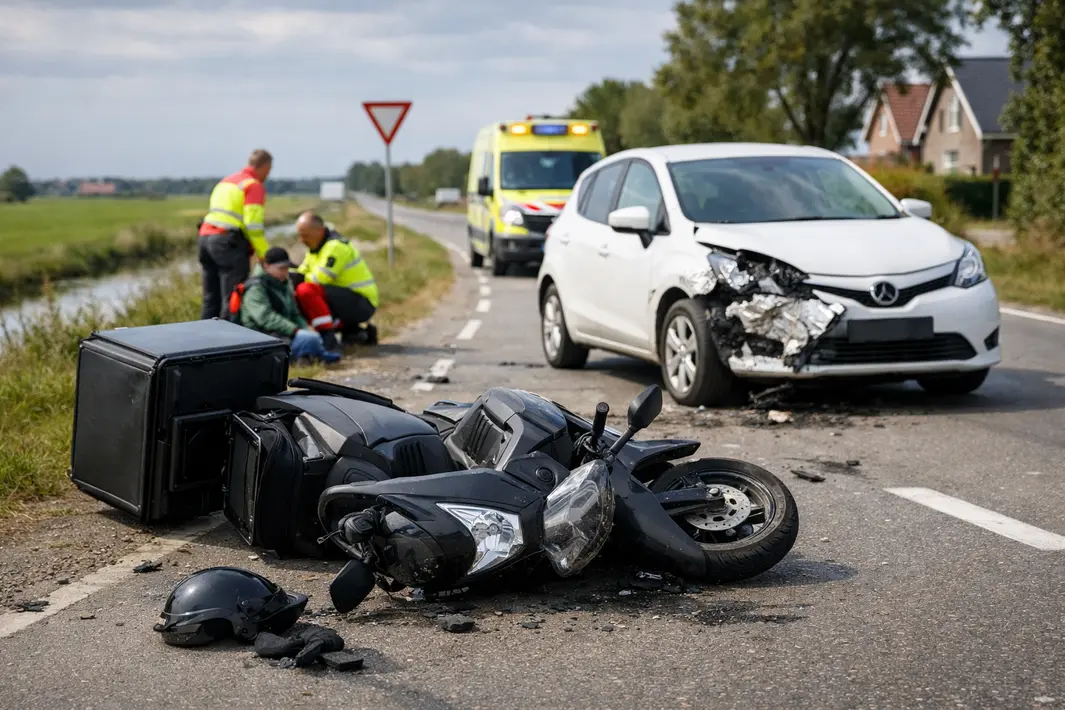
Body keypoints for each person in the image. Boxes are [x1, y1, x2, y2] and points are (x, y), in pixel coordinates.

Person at [198, 149, 273, 320]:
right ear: (265, 166)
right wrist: (265, 256)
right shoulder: (253, 185)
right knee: (232, 298)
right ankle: (229, 342)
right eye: (269, 170)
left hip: (205, 240)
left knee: (210, 299)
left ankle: (204, 340)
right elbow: (253, 227)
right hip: (227, 244)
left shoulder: (227, 181)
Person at [238, 246, 340, 364]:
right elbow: (265, 317)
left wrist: (304, 328)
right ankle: (311, 357)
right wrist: (295, 330)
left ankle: (310, 356)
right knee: (310, 341)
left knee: (312, 338)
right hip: (263, 337)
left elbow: (294, 313)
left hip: (282, 333)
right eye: (281, 268)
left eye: (287, 268)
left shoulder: (284, 284)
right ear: (266, 266)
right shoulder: (255, 288)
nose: (285, 272)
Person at [291, 211, 379, 345]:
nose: (301, 240)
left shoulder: (335, 247)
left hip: (363, 303)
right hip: (346, 300)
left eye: (305, 236)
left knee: (306, 291)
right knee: (297, 292)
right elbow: (302, 272)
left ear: (319, 231)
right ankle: (354, 332)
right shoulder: (315, 248)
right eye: (300, 236)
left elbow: (320, 280)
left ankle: (328, 339)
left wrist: (296, 278)